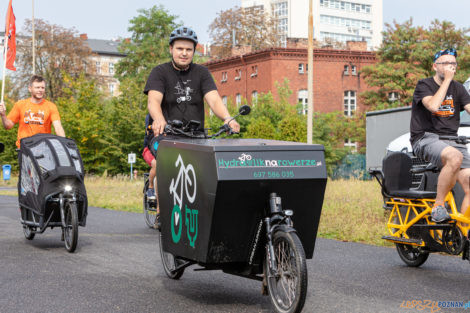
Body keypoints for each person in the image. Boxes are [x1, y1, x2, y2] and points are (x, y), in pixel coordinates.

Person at [143, 26, 240, 228]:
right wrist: (159, 119)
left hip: (195, 135)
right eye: (180, 48)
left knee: (208, 170)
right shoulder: (159, 72)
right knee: (164, 164)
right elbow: (153, 101)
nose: (184, 53)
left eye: (188, 49)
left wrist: (228, 118)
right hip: (165, 135)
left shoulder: (202, 73)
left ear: (194, 51)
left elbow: (213, 100)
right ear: (171, 49)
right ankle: (161, 213)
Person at [410, 48, 470, 222]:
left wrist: (452, 82)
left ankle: (463, 231)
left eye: (453, 64)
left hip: (453, 140)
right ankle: (438, 206)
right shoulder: (424, 85)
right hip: (426, 138)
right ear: (435, 66)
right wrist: (447, 81)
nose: (450, 67)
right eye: (445, 63)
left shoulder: (459, 88)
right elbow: (434, 106)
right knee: (455, 157)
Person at [0, 75, 66, 147]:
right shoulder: (20, 105)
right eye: (37, 87)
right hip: (24, 149)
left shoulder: (51, 106)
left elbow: (58, 127)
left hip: (44, 148)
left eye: (42, 88)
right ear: (30, 89)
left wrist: (65, 144)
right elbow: (8, 126)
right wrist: (3, 115)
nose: (40, 90)